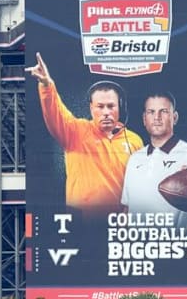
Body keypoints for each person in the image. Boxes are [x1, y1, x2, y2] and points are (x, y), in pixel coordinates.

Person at [26, 52, 143, 215]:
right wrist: (47, 85)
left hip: (120, 229)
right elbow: (56, 114)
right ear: (91, 109)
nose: (106, 112)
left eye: (111, 106)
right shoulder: (76, 131)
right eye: (100, 107)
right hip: (81, 226)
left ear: (120, 108)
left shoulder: (134, 140)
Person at [121, 91, 187, 228]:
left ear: (175, 117)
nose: (157, 117)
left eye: (164, 111)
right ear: (144, 119)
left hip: (175, 246)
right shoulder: (134, 159)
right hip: (137, 247)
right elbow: (127, 208)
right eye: (151, 112)